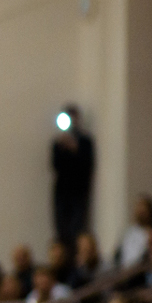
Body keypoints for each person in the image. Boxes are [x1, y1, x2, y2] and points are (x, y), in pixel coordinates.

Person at [52, 105, 96, 249]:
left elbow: (88, 164)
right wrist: (62, 147)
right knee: (62, 230)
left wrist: (75, 148)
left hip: (78, 191)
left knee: (77, 229)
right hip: (62, 192)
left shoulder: (85, 141)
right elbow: (55, 165)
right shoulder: (58, 142)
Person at [115, 197, 152, 269]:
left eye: (143, 211)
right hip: (124, 270)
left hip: (141, 270)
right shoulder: (129, 231)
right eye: (139, 209)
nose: (140, 213)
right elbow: (119, 253)